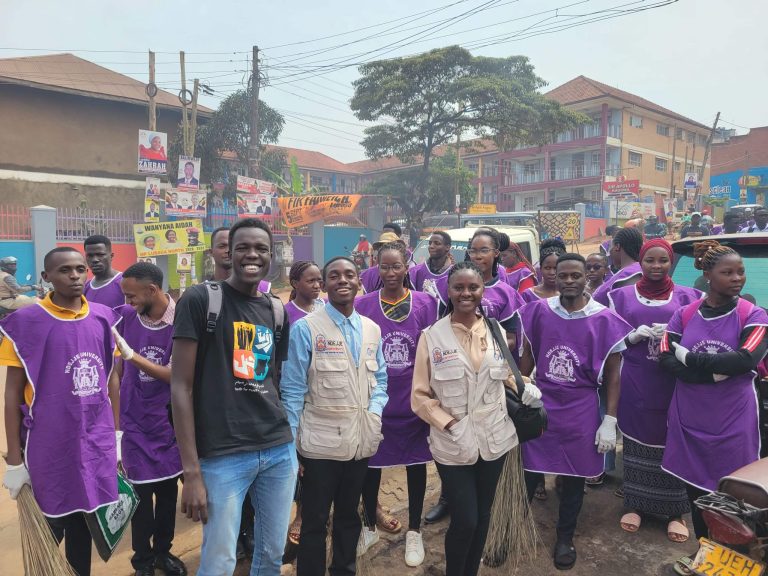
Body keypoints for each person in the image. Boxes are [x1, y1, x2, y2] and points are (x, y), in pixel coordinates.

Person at [170, 218, 296, 576]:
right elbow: (180, 386)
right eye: (242, 247)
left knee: (271, 554)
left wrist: (291, 444)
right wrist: (192, 472)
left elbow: (272, 379)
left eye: (260, 248)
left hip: (276, 448)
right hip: (222, 456)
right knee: (219, 561)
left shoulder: (276, 310)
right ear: (227, 252)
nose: (251, 255)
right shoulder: (200, 300)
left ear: (271, 256)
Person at [412, 261, 537, 576]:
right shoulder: (431, 336)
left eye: (473, 287)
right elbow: (420, 396)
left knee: (483, 515)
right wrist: (451, 425)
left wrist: (525, 386)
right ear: (448, 291)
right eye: (459, 287)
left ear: (483, 290)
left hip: (495, 438)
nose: (466, 293)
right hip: (453, 444)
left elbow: (505, 374)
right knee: (465, 518)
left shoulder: (495, 331)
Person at [1, 247, 120, 576]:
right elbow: (12, 394)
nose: (75, 276)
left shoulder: (101, 317)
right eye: (65, 270)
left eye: (80, 269)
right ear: (46, 277)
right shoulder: (25, 323)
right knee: (51, 522)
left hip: (93, 439)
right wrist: (13, 459)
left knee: (85, 518)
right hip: (49, 442)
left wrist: (117, 433)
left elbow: (111, 380)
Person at [659, 240, 768, 576]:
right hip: (689, 418)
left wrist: (691, 359)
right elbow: (665, 355)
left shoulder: (754, 315)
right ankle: (706, 555)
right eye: (728, 272)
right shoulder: (685, 314)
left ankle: (737, 561)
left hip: (733, 421)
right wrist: (716, 374)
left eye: (741, 272)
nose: (738, 278)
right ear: (707, 275)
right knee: (697, 495)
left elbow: (746, 358)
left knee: (735, 497)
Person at [518, 253, 631, 570]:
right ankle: (512, 530)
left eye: (575, 276)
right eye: (562, 275)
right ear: (554, 277)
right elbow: (527, 357)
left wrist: (610, 419)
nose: (568, 280)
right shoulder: (539, 311)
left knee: (574, 476)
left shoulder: (604, 319)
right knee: (528, 471)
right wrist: (522, 387)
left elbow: (613, 375)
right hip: (542, 401)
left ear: (587, 278)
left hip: (581, 406)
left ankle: (564, 536)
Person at [282, 256, 388, 576]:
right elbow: (292, 391)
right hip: (318, 447)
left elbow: (380, 381)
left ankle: (344, 570)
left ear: (359, 282)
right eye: (334, 276)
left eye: (349, 275)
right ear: (324, 285)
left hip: (359, 443)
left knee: (348, 517)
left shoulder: (371, 329)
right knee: (314, 521)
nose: (342, 280)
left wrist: (373, 413)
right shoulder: (306, 329)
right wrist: (292, 449)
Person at [607, 239, 701, 545]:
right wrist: (632, 337)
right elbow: (608, 341)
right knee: (636, 444)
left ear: (671, 262)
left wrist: (677, 342)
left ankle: (675, 513)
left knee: (673, 442)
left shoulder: (690, 297)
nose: (657, 266)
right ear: (641, 263)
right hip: (636, 381)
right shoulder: (619, 297)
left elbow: (700, 339)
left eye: (663, 260)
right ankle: (634, 504)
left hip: (673, 383)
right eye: (650, 260)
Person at [356, 242, 438, 566]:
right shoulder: (363, 305)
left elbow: (434, 351)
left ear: (407, 267)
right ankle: (368, 525)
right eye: (384, 267)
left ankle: (414, 530)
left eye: (396, 266)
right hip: (378, 404)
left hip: (414, 404)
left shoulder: (426, 303)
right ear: (376, 268)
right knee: (371, 468)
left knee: (415, 466)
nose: (390, 273)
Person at [110, 263, 186, 576]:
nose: (127, 301)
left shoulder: (181, 320)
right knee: (140, 497)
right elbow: (116, 375)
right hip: (134, 424)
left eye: (131, 295)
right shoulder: (125, 317)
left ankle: (163, 553)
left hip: (168, 423)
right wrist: (116, 429)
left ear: (152, 290)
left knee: (168, 495)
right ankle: (142, 560)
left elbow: (176, 375)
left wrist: (133, 357)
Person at [592, 227, 644, 306]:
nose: (610, 254)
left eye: (610, 249)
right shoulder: (646, 271)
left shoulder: (623, 278)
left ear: (617, 246)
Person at [84, 234, 125, 308]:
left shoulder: (125, 282)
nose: (94, 260)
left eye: (100, 254)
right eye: (90, 256)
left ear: (111, 256)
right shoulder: (85, 287)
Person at [409, 231, 452, 299]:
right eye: (430, 243)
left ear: (447, 247)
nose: (431, 246)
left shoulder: (454, 273)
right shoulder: (415, 271)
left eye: (437, 243)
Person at [521, 239, 565, 303]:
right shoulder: (528, 295)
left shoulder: (569, 295)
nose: (552, 272)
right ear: (541, 268)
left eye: (556, 268)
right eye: (547, 268)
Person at [285, 261, 325, 325]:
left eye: (319, 280)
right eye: (311, 281)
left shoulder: (327, 305)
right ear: (295, 284)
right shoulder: (285, 313)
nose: (317, 286)